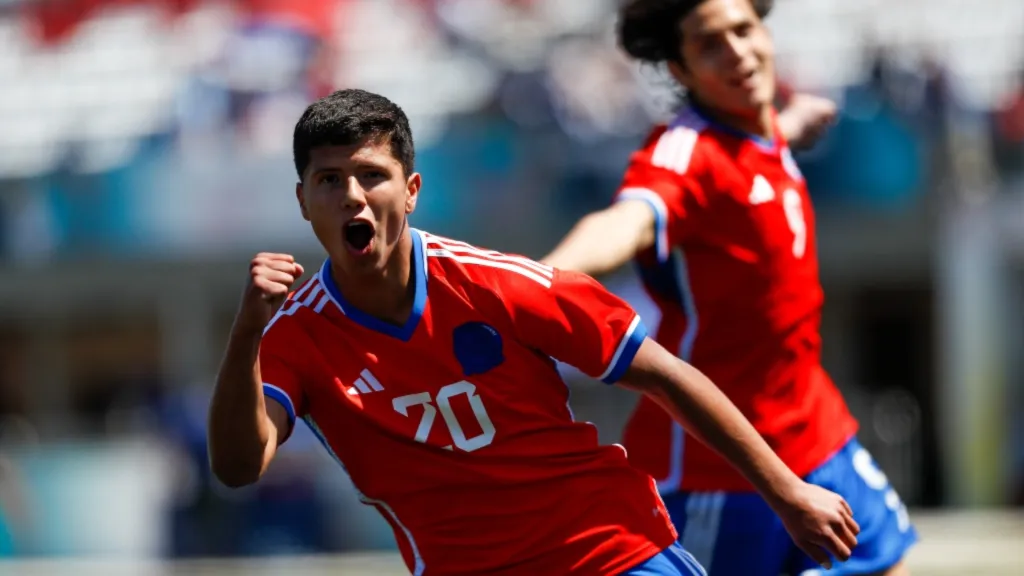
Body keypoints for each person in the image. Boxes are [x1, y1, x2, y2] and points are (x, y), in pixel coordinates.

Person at [207, 88, 859, 575]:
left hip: (609, 553)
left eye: (371, 176)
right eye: (329, 180)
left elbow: (664, 374)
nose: (352, 195)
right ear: (302, 201)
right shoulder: (291, 335)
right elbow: (238, 467)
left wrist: (788, 491)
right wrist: (245, 334)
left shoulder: (499, 284)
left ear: (409, 191)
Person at [540, 1, 918, 575]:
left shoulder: (757, 133)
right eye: (710, 44)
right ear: (679, 70)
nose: (737, 51)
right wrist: (531, 285)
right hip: (725, 472)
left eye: (744, 30)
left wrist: (790, 126)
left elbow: (752, 158)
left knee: (890, 562)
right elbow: (626, 221)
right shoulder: (685, 155)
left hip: (819, 434)